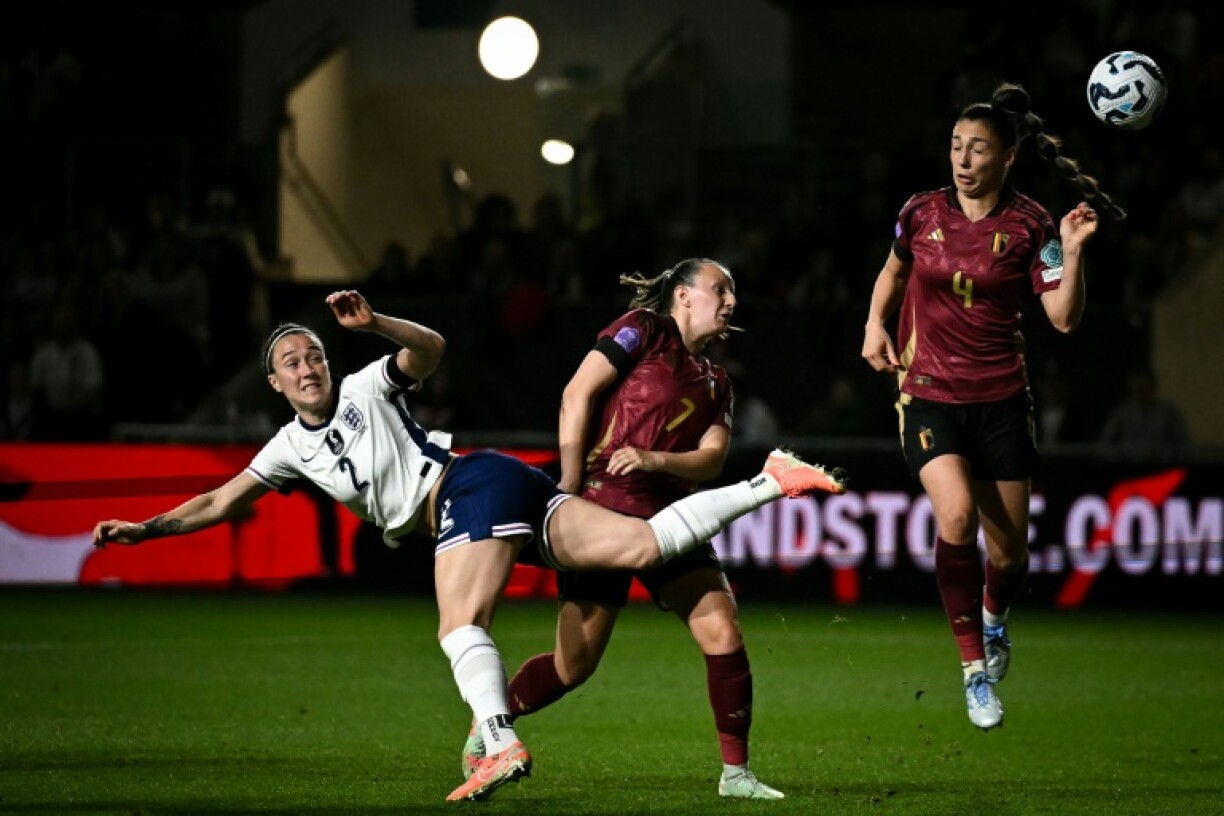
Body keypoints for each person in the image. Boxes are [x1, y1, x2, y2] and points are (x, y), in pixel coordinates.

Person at [92, 290, 848, 802]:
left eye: (313, 354)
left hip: (464, 488)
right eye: (292, 362)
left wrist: (377, 324)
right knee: (645, 549)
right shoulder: (286, 449)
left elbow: (431, 349)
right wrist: (147, 529)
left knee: (459, 627)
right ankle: (767, 481)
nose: (308, 366)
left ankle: (499, 741)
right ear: (274, 384)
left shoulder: (364, 385)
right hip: (503, 486)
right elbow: (219, 502)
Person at [461, 259, 790, 800]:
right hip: (604, 509)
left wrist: (656, 460)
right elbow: (577, 393)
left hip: (671, 520)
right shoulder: (643, 329)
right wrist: (568, 483)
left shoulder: (719, 382)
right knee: (573, 666)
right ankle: (490, 723)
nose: (731, 301)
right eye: (720, 289)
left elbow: (711, 460)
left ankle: (737, 775)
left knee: (723, 630)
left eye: (733, 292)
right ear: (683, 295)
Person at [860, 82, 1119, 731]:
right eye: (956, 145)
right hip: (928, 394)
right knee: (955, 517)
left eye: (978, 148)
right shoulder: (920, 212)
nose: (963, 158)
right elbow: (894, 271)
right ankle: (974, 672)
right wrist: (874, 324)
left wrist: (1073, 251)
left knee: (1008, 558)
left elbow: (1062, 318)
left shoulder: (1032, 225)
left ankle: (996, 620)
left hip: (1000, 402)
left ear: (1008, 157)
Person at [1097, 365, 1191, 463]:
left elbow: (1184, 444)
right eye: (1136, 388)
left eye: (1143, 388)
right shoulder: (1122, 413)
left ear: (1152, 386)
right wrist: (1125, 452)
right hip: (1129, 466)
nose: (1140, 391)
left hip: (1162, 466)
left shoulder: (1169, 411)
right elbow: (1104, 445)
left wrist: (1163, 452)